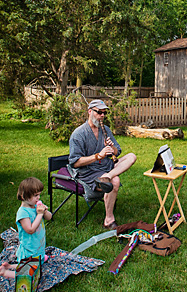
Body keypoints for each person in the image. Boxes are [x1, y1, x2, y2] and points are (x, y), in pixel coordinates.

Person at [68, 99, 137, 230]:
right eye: (99, 112)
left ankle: (107, 176)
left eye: (104, 113)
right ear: (90, 112)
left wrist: (112, 148)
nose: (102, 116)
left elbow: (117, 152)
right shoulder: (78, 134)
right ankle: (109, 219)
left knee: (132, 156)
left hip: (106, 168)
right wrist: (97, 156)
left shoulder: (105, 129)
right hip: (89, 171)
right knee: (115, 181)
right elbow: (75, 163)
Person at [0, 177, 52, 279]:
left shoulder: (34, 206)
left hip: (37, 245)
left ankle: (10, 266)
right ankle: (5, 273)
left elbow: (49, 217)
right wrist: (39, 214)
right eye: (35, 195)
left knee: (35, 261)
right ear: (24, 197)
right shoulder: (23, 213)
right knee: (28, 275)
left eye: (39, 194)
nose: (38, 198)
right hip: (29, 248)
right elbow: (30, 230)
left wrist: (44, 212)